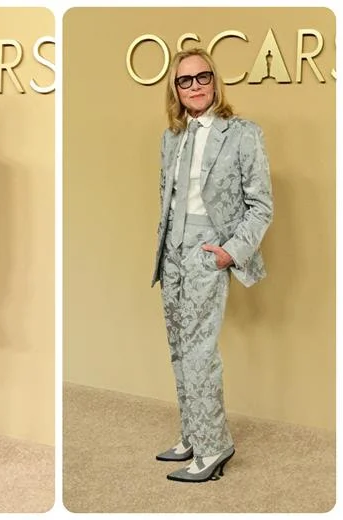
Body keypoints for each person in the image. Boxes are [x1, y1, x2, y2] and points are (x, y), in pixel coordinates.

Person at [151, 48, 272, 483]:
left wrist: (229, 251)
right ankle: (192, 434)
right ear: (176, 90)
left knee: (201, 353)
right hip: (173, 255)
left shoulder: (242, 134)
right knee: (180, 349)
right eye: (185, 80)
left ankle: (214, 447)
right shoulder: (172, 137)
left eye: (203, 77)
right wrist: (167, 251)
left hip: (208, 251)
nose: (196, 85)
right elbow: (168, 198)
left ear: (215, 82)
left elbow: (261, 207)